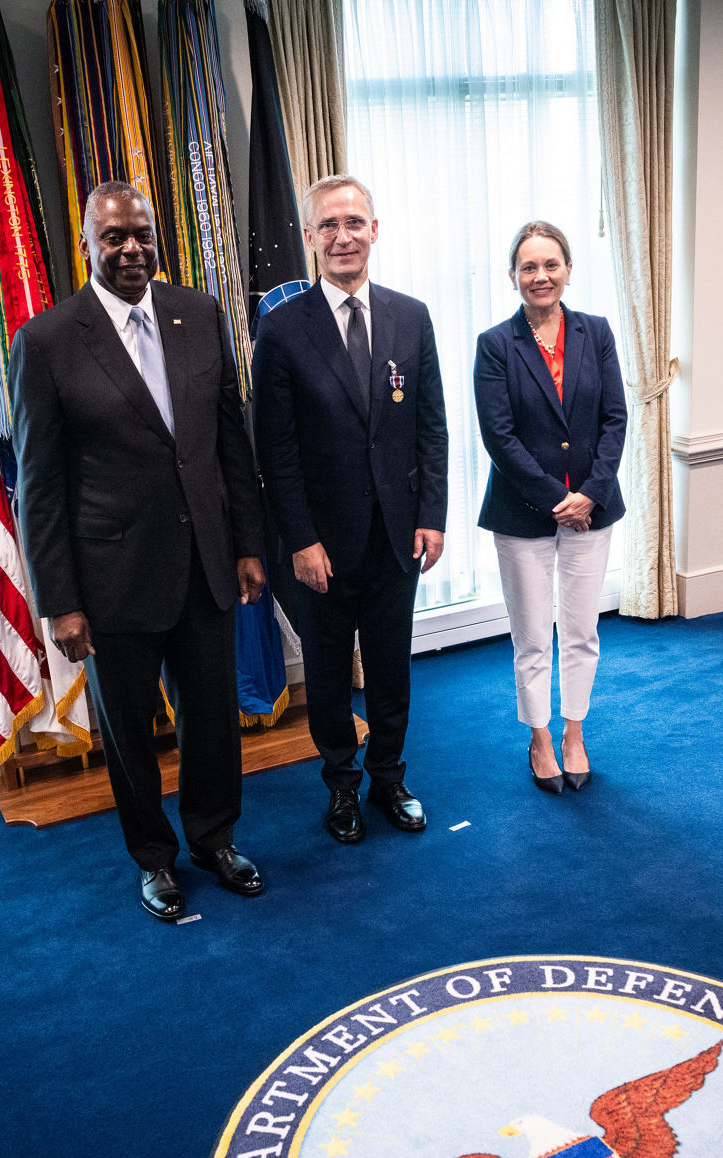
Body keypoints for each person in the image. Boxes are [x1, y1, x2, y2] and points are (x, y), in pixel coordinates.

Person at [9, 181, 267, 920]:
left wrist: (249, 544)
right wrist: (59, 600)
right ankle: (153, 860)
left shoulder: (199, 313)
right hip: (112, 578)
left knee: (211, 719)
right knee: (127, 733)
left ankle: (215, 840)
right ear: (87, 243)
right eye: (114, 237)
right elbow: (40, 483)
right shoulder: (49, 340)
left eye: (142, 235)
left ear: (157, 239)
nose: (131, 249)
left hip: (207, 566)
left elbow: (227, 438)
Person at [252, 175, 448, 844]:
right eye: (328, 225)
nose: (343, 235)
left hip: (397, 537)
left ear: (374, 230)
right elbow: (273, 452)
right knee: (331, 676)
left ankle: (390, 778)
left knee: (392, 667)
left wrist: (432, 513)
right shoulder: (280, 331)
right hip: (321, 548)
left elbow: (431, 426)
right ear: (308, 238)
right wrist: (300, 539)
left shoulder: (410, 315)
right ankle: (341, 786)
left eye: (354, 222)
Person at [473, 221, 627, 794]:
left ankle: (574, 732)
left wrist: (590, 491)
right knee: (533, 635)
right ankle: (539, 737)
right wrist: (556, 498)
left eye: (551, 265)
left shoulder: (597, 332)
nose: (541, 276)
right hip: (523, 513)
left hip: (593, 506)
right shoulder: (495, 344)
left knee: (582, 631)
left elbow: (616, 417)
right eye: (529, 267)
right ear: (513, 276)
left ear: (568, 270)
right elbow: (499, 436)